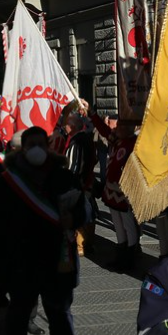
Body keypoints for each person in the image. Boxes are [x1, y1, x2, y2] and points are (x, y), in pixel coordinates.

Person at [0, 126, 89, 335]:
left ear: (50, 146)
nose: (38, 149)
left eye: (42, 143)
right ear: (22, 149)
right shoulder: (5, 182)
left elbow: (84, 211)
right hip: (21, 263)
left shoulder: (65, 177)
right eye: (32, 145)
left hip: (57, 264)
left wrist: (74, 218)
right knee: (19, 314)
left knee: (61, 318)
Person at [87, 107, 140, 270]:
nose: (117, 129)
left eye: (121, 126)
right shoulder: (118, 141)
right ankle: (121, 254)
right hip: (112, 193)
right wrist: (92, 114)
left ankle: (131, 257)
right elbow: (103, 130)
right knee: (118, 225)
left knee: (129, 226)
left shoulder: (135, 145)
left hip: (125, 194)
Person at [61, 106, 97, 256]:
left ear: (73, 126)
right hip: (84, 182)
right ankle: (86, 244)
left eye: (67, 124)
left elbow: (75, 165)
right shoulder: (81, 138)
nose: (65, 127)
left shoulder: (78, 141)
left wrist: (72, 182)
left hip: (80, 184)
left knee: (82, 213)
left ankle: (82, 245)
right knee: (88, 212)